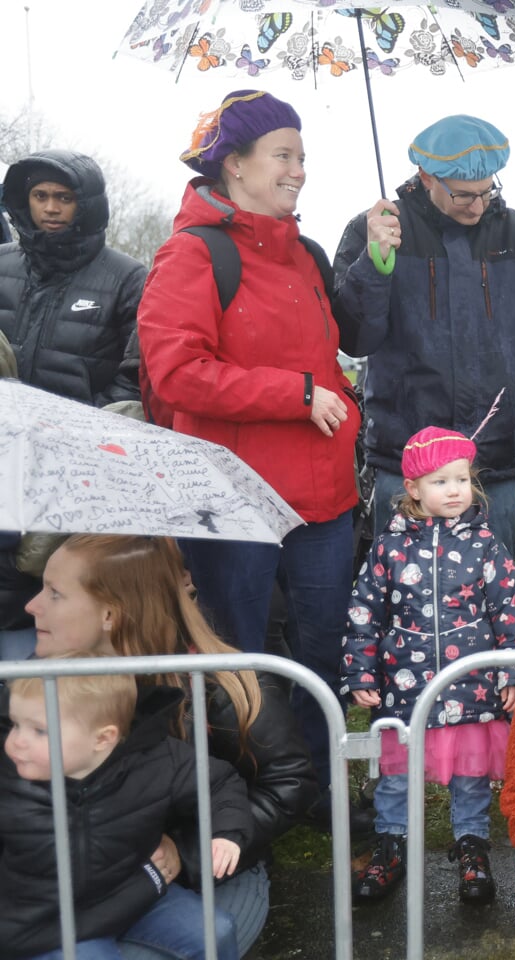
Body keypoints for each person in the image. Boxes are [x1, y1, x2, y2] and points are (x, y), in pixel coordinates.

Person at [137, 90, 358, 797]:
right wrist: (293, 395)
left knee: (322, 652)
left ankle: (319, 786)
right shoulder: (191, 255)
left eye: (303, 157)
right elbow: (176, 373)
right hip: (232, 501)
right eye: (284, 156)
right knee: (238, 656)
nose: (299, 171)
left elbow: (331, 363)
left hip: (323, 497)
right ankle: (249, 794)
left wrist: (337, 400)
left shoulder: (305, 255)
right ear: (235, 165)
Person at [22, 535, 319, 957]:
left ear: (110, 613)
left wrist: (186, 852)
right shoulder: (35, 680)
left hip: (209, 871)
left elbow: (290, 782)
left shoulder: (221, 684)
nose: (31, 606)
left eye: (53, 593)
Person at [334, 115, 515, 553]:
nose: (477, 206)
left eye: (487, 192)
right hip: (407, 455)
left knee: (496, 593)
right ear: (425, 176)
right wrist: (374, 267)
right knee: (404, 591)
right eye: (463, 195)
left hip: (496, 457)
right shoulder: (375, 230)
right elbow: (356, 338)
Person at [340, 427, 515, 903]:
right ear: (412, 489)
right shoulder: (389, 547)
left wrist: (513, 672)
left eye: (462, 480)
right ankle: (392, 845)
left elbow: (511, 610)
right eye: (441, 482)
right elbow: (364, 612)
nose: (455, 491)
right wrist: (361, 672)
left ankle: (472, 849)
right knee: (397, 774)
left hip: (471, 688)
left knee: (470, 778)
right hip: (406, 690)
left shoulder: (486, 545)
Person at [1, 666, 252, 960]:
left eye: (39, 730)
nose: (17, 740)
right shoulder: (9, 776)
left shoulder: (154, 758)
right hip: (43, 922)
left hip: (132, 890)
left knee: (216, 932)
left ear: (102, 739)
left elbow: (217, 782)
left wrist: (225, 832)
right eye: (16, 724)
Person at [0, 150, 145, 408]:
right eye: (40, 196)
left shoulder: (127, 279)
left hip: (83, 440)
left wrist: (90, 423)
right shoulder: (2, 263)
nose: (51, 208)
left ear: (86, 204)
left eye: (64, 198)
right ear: (26, 200)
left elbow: (137, 376)